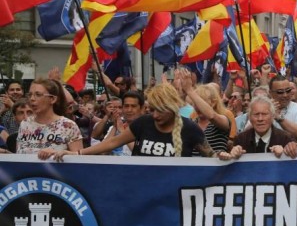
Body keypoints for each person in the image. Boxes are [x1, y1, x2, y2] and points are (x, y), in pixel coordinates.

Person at [47, 83, 213, 159]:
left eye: (160, 110)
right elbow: (112, 143)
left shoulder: (190, 128)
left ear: (172, 107)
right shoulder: (143, 123)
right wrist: (77, 154)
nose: (154, 115)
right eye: (152, 110)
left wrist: (230, 156)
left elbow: (212, 155)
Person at [16, 79, 82, 157]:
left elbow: (79, 160)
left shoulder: (68, 126)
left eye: (38, 94)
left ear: (52, 99)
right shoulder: (25, 123)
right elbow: (18, 156)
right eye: (30, 95)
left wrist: (55, 153)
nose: (32, 99)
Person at [218, 96, 297, 160]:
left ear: (273, 116)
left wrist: (284, 154)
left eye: (265, 114)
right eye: (256, 114)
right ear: (249, 118)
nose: (260, 119)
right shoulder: (240, 140)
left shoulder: (286, 139)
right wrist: (233, 154)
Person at [177, 68, 231, 155]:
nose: (197, 106)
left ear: (213, 103)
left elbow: (211, 116)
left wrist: (190, 90)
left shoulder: (224, 120)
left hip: (216, 167)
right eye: (195, 102)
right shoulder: (191, 124)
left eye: (201, 101)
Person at [270, 75, 297, 141]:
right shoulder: (263, 108)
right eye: (280, 92)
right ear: (270, 93)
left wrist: (279, 118)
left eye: (288, 91)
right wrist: (265, 112)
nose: (285, 95)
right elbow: (246, 131)